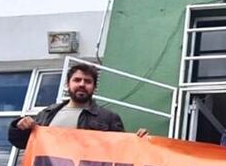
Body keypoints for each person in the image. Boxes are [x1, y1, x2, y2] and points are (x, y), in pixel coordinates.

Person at [8, 62, 146, 149]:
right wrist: (19, 126)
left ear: (94, 87)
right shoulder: (47, 114)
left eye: (87, 81)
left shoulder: (108, 118)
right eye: (77, 80)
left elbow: (122, 151)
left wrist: (139, 141)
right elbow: (21, 143)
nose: (82, 84)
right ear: (68, 84)